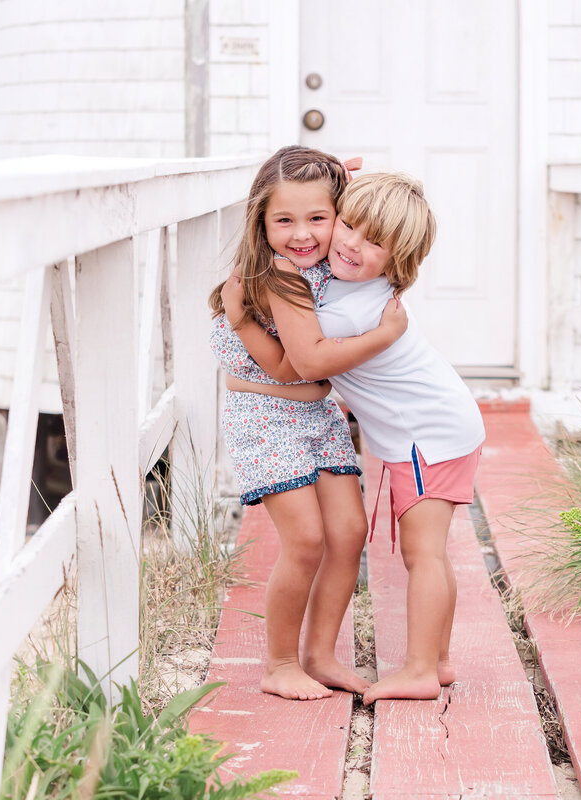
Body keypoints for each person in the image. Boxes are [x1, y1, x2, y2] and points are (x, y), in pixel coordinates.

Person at [226, 172, 485, 705]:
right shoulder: (354, 286)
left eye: (373, 243)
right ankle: (436, 659)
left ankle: (418, 669)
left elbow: (307, 360)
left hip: (426, 436)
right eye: (346, 223)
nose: (348, 243)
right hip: (443, 427)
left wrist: (240, 325)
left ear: (397, 261)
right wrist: (324, 184)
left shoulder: (350, 310)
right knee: (431, 553)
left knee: (424, 555)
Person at [208, 146, 407, 700]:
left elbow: (329, 198)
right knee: (306, 540)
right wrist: (244, 321)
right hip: (267, 414)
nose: (302, 233)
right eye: (284, 220)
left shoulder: (323, 260)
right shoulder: (278, 277)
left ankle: (320, 655)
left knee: (348, 534)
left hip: (313, 412)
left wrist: (340, 171)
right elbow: (289, 366)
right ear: (260, 221)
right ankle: (278, 663)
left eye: (318, 218)